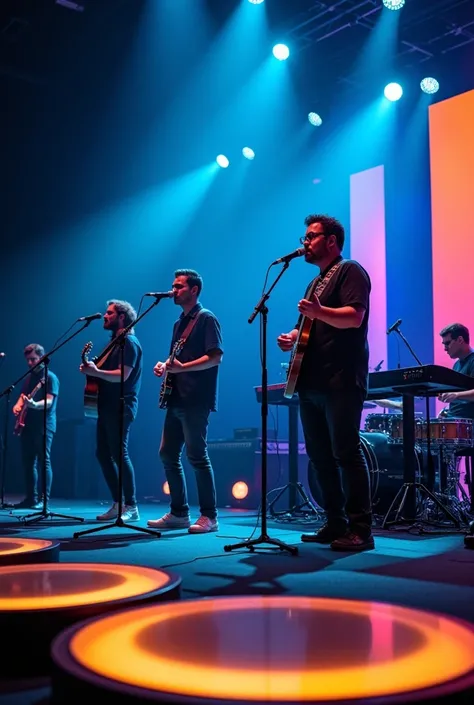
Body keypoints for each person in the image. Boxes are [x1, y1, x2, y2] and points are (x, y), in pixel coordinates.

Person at [277, 214, 374, 551]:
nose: (305, 242)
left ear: (331, 240)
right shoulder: (315, 282)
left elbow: (355, 316)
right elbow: (307, 327)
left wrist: (319, 314)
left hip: (341, 378)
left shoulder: (351, 271)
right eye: (305, 237)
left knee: (346, 453)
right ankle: (335, 523)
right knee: (319, 456)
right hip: (312, 382)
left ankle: (361, 530)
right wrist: (292, 336)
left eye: (311, 236)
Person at [148, 269, 223, 534]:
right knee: (167, 454)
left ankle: (209, 516)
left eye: (179, 286)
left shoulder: (206, 319)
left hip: (196, 398)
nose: (173, 291)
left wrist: (181, 368)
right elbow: (176, 361)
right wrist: (165, 366)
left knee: (196, 456)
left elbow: (215, 357)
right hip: (176, 397)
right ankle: (179, 512)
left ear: (194, 290)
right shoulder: (178, 323)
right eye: (173, 286)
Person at [79, 300, 142, 522]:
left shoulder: (130, 343)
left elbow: (122, 376)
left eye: (109, 313)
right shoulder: (112, 344)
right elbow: (102, 373)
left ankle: (132, 506)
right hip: (104, 405)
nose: (105, 316)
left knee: (119, 453)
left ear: (122, 317)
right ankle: (118, 503)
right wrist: (91, 370)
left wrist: (97, 371)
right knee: (103, 454)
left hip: (121, 406)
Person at [12, 343, 59, 509]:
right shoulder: (30, 377)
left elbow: (49, 401)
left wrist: (34, 404)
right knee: (28, 462)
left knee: (43, 461)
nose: (30, 363)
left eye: (33, 359)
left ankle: (44, 499)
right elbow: (23, 395)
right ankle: (31, 497)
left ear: (42, 358)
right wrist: (18, 405)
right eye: (28, 360)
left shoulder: (50, 377)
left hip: (44, 425)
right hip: (28, 425)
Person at [438, 323, 474, 417]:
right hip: (454, 420)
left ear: (460, 340)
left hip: (468, 424)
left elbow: (458, 395)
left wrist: (456, 395)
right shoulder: (456, 365)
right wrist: (445, 412)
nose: (445, 348)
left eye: (447, 343)